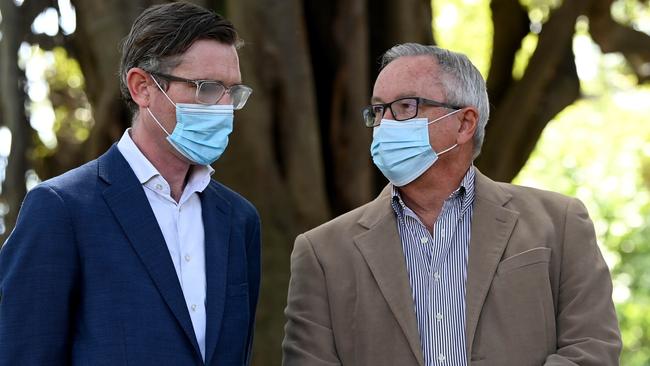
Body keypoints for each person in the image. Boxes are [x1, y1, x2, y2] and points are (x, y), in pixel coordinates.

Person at [282, 43, 621, 365]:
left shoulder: (559, 223)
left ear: (464, 123)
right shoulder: (322, 252)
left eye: (405, 106)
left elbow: (591, 349)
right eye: (379, 110)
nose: (384, 124)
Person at [0, 2, 260, 365]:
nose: (223, 106)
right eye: (207, 88)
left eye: (232, 92)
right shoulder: (61, 208)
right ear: (142, 88)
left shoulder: (238, 219)